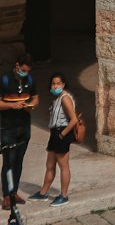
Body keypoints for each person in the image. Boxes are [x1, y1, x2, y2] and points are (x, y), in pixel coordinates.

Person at [30, 71, 78, 206]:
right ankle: (43, 193)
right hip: (54, 133)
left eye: (58, 83)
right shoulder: (57, 99)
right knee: (50, 165)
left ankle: (64, 195)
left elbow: (73, 119)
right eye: (53, 83)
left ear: (63, 84)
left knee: (63, 165)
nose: (55, 86)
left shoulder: (65, 98)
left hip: (61, 133)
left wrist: (63, 135)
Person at [0, 54, 37, 210]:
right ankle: (7, 195)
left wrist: (31, 105)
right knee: (9, 160)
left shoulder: (29, 80)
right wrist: (12, 106)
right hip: (8, 127)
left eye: (27, 71)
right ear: (17, 66)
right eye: (22, 70)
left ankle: (14, 191)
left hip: (24, 126)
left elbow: (35, 98)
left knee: (19, 160)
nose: (25, 73)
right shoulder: (5, 80)